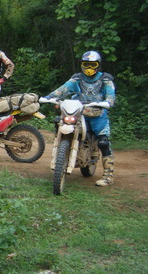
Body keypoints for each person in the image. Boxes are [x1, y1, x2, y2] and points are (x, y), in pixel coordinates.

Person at [41, 51, 116, 186]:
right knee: (59, 121)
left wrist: (108, 102)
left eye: (92, 65)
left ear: (98, 65)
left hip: (97, 113)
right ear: (81, 65)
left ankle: (108, 175)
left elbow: (110, 95)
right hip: (78, 112)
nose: (89, 68)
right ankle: (62, 155)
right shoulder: (77, 79)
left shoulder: (105, 80)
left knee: (103, 142)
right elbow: (63, 89)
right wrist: (48, 97)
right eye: (86, 65)